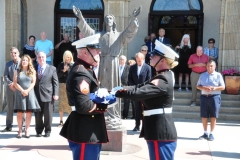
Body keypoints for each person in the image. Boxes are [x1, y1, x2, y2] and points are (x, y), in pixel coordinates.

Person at [73, 5, 141, 129]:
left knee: (114, 89)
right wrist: (80, 17)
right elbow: (88, 31)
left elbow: (129, 32)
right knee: (103, 88)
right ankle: (103, 112)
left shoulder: (119, 35)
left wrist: (133, 19)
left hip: (114, 63)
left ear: (113, 21)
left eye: (111, 18)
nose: (109, 20)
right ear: (104, 22)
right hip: (103, 63)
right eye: (107, 18)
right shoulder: (99, 35)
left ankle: (114, 115)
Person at [115, 40, 179, 160]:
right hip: (157, 131)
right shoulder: (162, 75)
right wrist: (120, 88)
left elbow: (139, 93)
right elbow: (139, 86)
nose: (150, 56)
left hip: (160, 132)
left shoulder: (163, 79)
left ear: (163, 60)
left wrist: (116, 93)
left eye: (155, 55)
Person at [60, 34, 108, 160]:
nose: (99, 51)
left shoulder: (86, 69)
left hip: (88, 128)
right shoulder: (81, 72)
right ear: (85, 52)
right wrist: (103, 105)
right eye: (95, 49)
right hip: (84, 129)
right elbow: (84, 105)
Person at [13, 55, 41, 138]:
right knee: (19, 113)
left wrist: (27, 91)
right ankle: (20, 130)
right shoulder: (17, 71)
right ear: (21, 62)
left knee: (29, 112)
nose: (24, 61)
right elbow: (15, 82)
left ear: (29, 62)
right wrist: (22, 90)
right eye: (23, 60)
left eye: (26, 60)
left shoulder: (32, 71)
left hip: (30, 93)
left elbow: (33, 82)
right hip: (20, 93)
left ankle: (27, 129)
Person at [196, 60, 225, 141]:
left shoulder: (218, 75)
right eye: (208, 66)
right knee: (204, 116)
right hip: (204, 97)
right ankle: (205, 133)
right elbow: (198, 86)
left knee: (213, 116)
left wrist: (214, 88)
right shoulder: (202, 75)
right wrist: (204, 88)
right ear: (206, 66)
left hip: (214, 97)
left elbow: (223, 87)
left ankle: (211, 133)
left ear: (215, 67)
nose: (210, 67)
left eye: (211, 66)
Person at [34, 52, 59, 137]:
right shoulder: (34, 68)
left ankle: (48, 130)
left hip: (48, 95)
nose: (41, 59)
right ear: (37, 58)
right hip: (36, 95)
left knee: (48, 114)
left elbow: (55, 83)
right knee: (38, 115)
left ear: (46, 58)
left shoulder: (52, 68)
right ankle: (38, 130)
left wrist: (56, 94)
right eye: (39, 57)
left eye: (42, 57)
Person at [2, 47, 25, 132]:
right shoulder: (8, 64)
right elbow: (5, 75)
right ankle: (8, 126)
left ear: (18, 53)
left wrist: (17, 84)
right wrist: (10, 83)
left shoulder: (23, 63)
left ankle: (22, 126)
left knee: (21, 107)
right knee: (10, 107)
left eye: (15, 53)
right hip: (10, 88)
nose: (13, 54)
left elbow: (24, 76)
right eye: (12, 53)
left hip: (20, 88)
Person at [128, 52, 151, 131]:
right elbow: (129, 78)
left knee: (144, 109)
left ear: (143, 59)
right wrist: (134, 87)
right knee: (137, 109)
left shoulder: (147, 67)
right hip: (135, 91)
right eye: (137, 61)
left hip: (144, 91)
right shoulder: (132, 67)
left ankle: (145, 127)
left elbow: (148, 79)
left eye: (140, 61)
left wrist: (141, 88)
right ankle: (137, 125)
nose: (138, 62)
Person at [57, 50, 74, 127]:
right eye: (66, 56)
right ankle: (61, 120)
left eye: (69, 56)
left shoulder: (73, 65)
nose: (68, 58)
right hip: (62, 85)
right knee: (61, 103)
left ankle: (71, 120)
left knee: (70, 103)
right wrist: (64, 70)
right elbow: (57, 76)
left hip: (70, 85)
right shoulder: (61, 65)